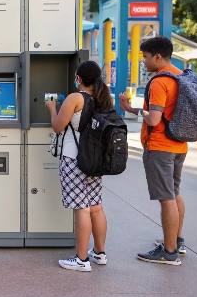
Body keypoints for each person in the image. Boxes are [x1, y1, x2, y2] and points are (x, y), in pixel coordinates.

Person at [119, 36, 186, 266]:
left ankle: (169, 253)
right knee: (174, 193)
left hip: (160, 147)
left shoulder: (159, 82)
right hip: (179, 144)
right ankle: (176, 241)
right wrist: (133, 108)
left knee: (166, 198)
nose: (144, 62)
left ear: (158, 56)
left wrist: (139, 112)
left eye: (146, 57)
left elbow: (155, 118)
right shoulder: (180, 75)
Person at [45, 60, 111, 272]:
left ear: (79, 78)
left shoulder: (76, 98)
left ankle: (81, 259)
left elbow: (57, 127)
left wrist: (52, 108)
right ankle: (99, 254)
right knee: (96, 206)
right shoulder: (103, 97)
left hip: (74, 158)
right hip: (94, 159)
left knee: (81, 209)